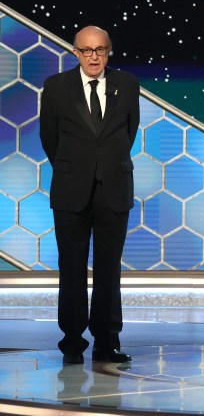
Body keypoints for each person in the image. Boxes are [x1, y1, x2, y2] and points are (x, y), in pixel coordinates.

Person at [39, 26, 140, 365]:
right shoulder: (55, 87)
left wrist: (106, 165)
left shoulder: (127, 84)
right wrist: (74, 169)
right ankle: (71, 341)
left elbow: (129, 131)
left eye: (100, 50)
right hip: (70, 191)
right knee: (71, 269)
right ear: (76, 53)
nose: (93, 57)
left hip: (114, 188)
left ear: (109, 51)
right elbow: (49, 138)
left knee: (110, 270)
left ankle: (107, 340)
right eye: (86, 50)